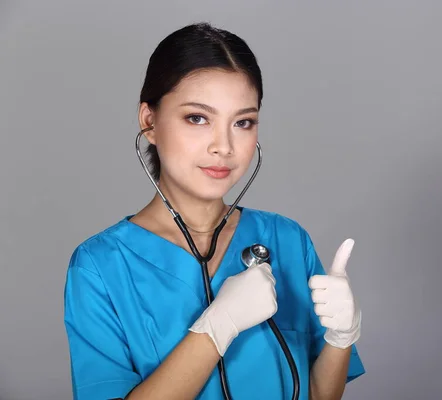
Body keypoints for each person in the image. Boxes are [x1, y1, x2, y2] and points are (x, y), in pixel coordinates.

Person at [63, 22, 365, 400]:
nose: (223, 146)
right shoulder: (100, 266)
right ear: (149, 121)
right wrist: (216, 328)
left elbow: (320, 394)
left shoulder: (288, 241)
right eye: (197, 118)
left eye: (243, 122)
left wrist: (341, 338)